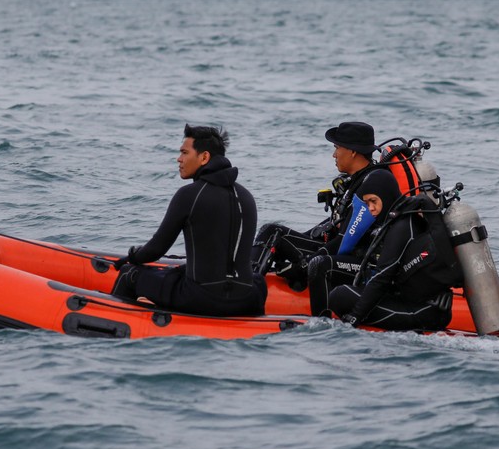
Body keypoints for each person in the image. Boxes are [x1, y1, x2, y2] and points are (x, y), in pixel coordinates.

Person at [111, 124, 267, 317]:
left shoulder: (189, 195)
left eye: (184, 152)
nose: (179, 159)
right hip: (247, 299)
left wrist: (132, 257)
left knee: (129, 273)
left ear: (204, 157)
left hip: (202, 298)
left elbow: (156, 249)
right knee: (255, 279)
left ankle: (116, 323)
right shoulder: (246, 196)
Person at [314, 168, 464, 331]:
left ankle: (319, 326)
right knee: (343, 294)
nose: (370, 208)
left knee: (340, 296)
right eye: (367, 203)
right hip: (416, 301)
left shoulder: (402, 226)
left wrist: (354, 318)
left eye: (373, 201)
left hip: (425, 312)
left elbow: (381, 276)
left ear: (386, 197)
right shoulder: (397, 220)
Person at [252, 121, 380, 288]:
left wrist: (304, 265)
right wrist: (289, 244)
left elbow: (345, 241)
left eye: (337, 148)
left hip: (353, 263)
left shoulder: (373, 183)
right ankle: (252, 276)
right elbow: (332, 226)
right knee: (274, 233)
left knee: (273, 233)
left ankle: (246, 287)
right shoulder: (357, 181)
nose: (334, 155)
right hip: (334, 250)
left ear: (353, 151)